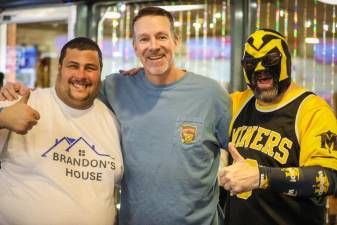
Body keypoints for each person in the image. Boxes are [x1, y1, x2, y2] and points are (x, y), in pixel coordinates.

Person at [0, 7, 231, 225]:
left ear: (176, 40)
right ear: (135, 47)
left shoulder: (211, 94)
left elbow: (240, 150)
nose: (153, 46)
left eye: (161, 37)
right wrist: (5, 108)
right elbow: (76, 91)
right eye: (144, 39)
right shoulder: (117, 88)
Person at [218, 29, 337, 225]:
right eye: (251, 64)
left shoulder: (312, 109)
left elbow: (328, 179)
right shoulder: (238, 103)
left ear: (285, 62)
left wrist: (261, 176)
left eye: (269, 61)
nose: (260, 70)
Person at [0, 37, 123, 225]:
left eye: (90, 68)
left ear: (100, 73)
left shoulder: (113, 121)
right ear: (59, 68)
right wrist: (1, 118)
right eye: (73, 66)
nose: (81, 75)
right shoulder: (22, 103)